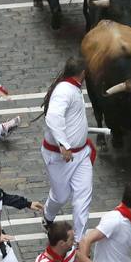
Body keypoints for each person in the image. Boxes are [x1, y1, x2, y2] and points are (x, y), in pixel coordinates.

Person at [41, 57, 95, 239]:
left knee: (83, 199)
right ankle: (48, 216)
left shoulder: (74, 88)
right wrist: (64, 145)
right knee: (61, 197)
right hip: (59, 157)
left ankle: (79, 241)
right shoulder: (64, 90)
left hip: (82, 155)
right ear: (83, 73)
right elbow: (53, 117)